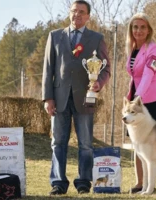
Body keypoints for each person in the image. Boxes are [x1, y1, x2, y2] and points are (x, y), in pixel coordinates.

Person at [42, 0, 111, 195]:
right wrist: (48, 98)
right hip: (59, 98)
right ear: (69, 13)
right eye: (74, 11)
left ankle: (83, 182)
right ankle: (58, 183)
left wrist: (99, 84)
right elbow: (48, 70)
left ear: (88, 16)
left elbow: (106, 68)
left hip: (85, 99)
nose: (77, 15)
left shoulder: (97, 38)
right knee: (57, 143)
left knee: (86, 144)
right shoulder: (54, 36)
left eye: (81, 12)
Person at [125, 12, 156, 193]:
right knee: (137, 143)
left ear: (149, 29)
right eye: (135, 27)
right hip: (136, 101)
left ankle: (150, 184)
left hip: (153, 101)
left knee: (153, 145)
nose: (139, 30)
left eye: (143, 27)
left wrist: (137, 97)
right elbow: (135, 76)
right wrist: (130, 94)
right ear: (131, 29)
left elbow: (149, 74)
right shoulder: (132, 48)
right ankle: (139, 182)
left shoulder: (153, 48)